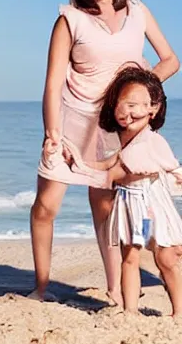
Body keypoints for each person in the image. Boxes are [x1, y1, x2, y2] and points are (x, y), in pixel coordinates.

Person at [30, 0, 179, 305]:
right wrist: (52, 131)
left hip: (115, 126)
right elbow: (52, 83)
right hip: (71, 120)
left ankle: (115, 289)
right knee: (46, 205)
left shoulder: (138, 12)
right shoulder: (70, 19)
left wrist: (136, 95)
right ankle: (41, 287)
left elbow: (170, 61)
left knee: (107, 206)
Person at [65, 66, 182, 315]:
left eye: (137, 105)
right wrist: (77, 161)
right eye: (124, 104)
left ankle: (179, 312)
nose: (129, 112)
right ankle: (130, 311)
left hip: (151, 209)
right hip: (132, 207)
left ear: (153, 109)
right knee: (130, 256)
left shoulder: (153, 141)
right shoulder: (121, 139)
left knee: (165, 258)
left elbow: (164, 169)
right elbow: (109, 166)